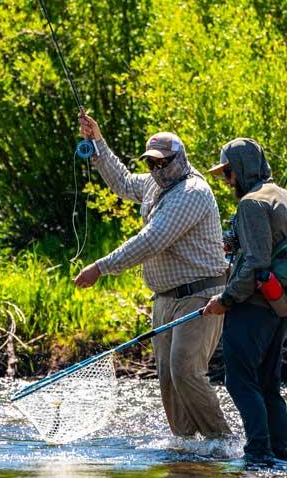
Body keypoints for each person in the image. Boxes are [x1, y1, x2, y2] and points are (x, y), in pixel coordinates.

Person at [75, 111, 231, 439]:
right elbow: (120, 182)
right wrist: (97, 142)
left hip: (199, 296)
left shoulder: (192, 192)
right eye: (152, 163)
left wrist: (100, 267)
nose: (157, 169)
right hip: (165, 299)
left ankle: (223, 443)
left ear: (181, 159)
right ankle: (187, 449)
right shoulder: (153, 184)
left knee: (185, 371)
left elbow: (152, 240)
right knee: (168, 379)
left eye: (164, 162)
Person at [201, 138, 287, 466]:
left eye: (228, 172)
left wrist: (225, 299)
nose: (227, 180)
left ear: (241, 169)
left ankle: (258, 454)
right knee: (268, 383)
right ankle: (281, 455)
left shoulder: (251, 204)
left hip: (252, 306)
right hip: (279, 305)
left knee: (240, 381)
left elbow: (256, 261)